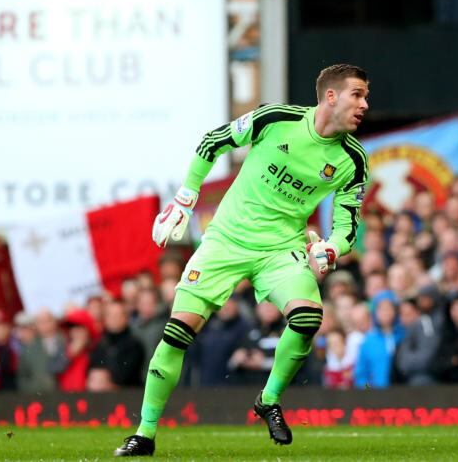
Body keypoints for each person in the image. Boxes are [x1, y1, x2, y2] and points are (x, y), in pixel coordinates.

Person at [115, 64, 370, 456]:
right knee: (177, 333)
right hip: (226, 242)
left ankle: (268, 400)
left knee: (307, 318)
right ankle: (145, 434)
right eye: (357, 94)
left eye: (365, 96)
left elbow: (347, 224)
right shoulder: (276, 119)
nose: (364, 104)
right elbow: (212, 142)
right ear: (330, 96)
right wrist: (186, 198)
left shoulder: (353, 160)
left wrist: (332, 248)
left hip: (280, 251)